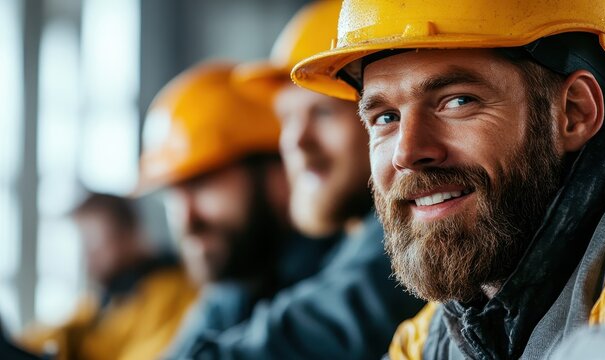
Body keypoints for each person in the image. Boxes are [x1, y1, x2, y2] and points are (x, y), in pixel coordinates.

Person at [292, 0, 605, 359]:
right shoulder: (439, 331)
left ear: (574, 112)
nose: (406, 153)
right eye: (385, 118)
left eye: (458, 101)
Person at [175, 1, 425, 359]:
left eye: (321, 112)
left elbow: (317, 329)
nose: (295, 141)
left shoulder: (406, 239)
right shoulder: (345, 243)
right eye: (286, 118)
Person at [137, 61, 333, 357]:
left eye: (201, 184)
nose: (186, 219)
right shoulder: (236, 282)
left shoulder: (342, 270)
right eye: (172, 195)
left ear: (277, 170)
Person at [20, 193, 196, 360]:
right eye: (84, 245)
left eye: (95, 243)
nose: (88, 257)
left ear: (129, 235)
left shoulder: (175, 292)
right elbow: (58, 332)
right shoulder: (105, 299)